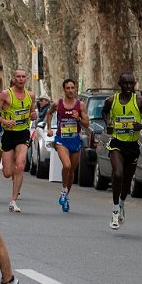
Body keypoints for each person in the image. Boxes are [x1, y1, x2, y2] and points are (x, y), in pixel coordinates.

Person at [101, 73, 142, 229]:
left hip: (132, 145)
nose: (129, 87)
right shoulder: (112, 100)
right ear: (119, 84)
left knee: (127, 179)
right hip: (117, 143)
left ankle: (122, 203)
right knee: (117, 173)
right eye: (126, 84)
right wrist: (108, 123)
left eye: (132, 84)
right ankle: (115, 210)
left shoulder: (140, 101)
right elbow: (104, 112)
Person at [0, 69, 38, 213]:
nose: (21, 79)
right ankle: (10, 174)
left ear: (26, 79)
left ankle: (13, 200)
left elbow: (31, 113)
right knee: (7, 172)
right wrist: (3, 120)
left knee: (21, 165)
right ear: (14, 78)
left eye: (23, 77)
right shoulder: (6, 94)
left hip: (22, 133)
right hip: (8, 135)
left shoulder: (31, 95)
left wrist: (33, 116)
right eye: (18, 77)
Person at [45, 78, 90, 212]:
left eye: (72, 88)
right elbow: (49, 113)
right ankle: (64, 191)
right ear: (64, 89)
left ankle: (66, 195)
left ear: (75, 89)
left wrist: (78, 119)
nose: (70, 90)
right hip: (61, 140)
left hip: (75, 140)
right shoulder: (58, 104)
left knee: (71, 172)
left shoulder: (80, 105)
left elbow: (87, 124)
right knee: (67, 165)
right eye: (68, 88)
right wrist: (49, 128)